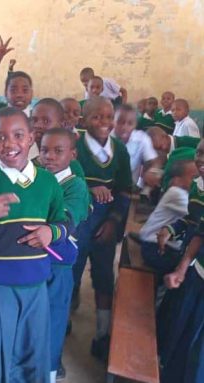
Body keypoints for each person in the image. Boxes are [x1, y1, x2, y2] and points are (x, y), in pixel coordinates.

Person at [0, 107, 67, 382]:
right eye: (0, 138)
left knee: (31, 354)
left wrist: (50, 233)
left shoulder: (48, 183)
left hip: (35, 286)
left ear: (31, 138)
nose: (9, 144)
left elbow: (64, 224)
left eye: (18, 135)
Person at [72, 96, 132, 361]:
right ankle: (63, 318)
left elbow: (124, 190)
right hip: (76, 221)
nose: (104, 123)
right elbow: (62, 181)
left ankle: (102, 334)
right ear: (84, 120)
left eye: (109, 117)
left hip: (104, 224)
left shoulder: (119, 150)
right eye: (97, 117)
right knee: (69, 273)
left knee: (104, 277)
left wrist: (113, 221)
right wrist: (87, 188)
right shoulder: (74, 146)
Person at [39, 128, 90, 382]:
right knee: (34, 319)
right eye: (44, 150)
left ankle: (49, 371)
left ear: (72, 154)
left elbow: (65, 222)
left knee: (53, 321)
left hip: (58, 267)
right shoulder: (35, 179)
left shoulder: (75, 186)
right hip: (34, 263)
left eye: (58, 151)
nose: (49, 156)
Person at [157, 139, 204, 383]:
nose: (202, 159)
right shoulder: (197, 186)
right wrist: (170, 230)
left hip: (192, 265)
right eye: (200, 152)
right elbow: (193, 223)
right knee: (181, 329)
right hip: (196, 268)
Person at [139, 160, 198, 274]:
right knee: (190, 269)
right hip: (153, 246)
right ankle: (162, 289)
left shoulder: (184, 194)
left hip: (163, 246)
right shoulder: (176, 193)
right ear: (177, 180)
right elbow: (196, 213)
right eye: (193, 178)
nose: (197, 181)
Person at [112, 104, 160, 187]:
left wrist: (153, 171)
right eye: (120, 122)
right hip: (105, 185)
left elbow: (154, 161)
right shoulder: (105, 137)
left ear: (135, 125)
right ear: (113, 121)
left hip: (128, 187)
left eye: (130, 123)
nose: (124, 127)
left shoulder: (141, 138)